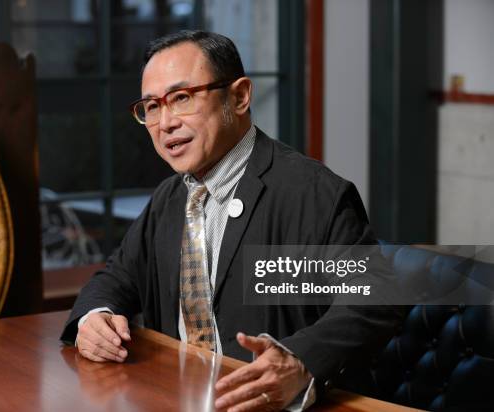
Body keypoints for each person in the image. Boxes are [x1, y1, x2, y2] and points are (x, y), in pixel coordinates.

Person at [60, 30, 403, 411]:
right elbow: (116, 277)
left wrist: (298, 361)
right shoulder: (170, 198)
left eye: (181, 98)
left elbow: (376, 297)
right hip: (174, 397)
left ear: (239, 96)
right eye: (152, 106)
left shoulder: (314, 192)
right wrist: (95, 318)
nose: (165, 122)